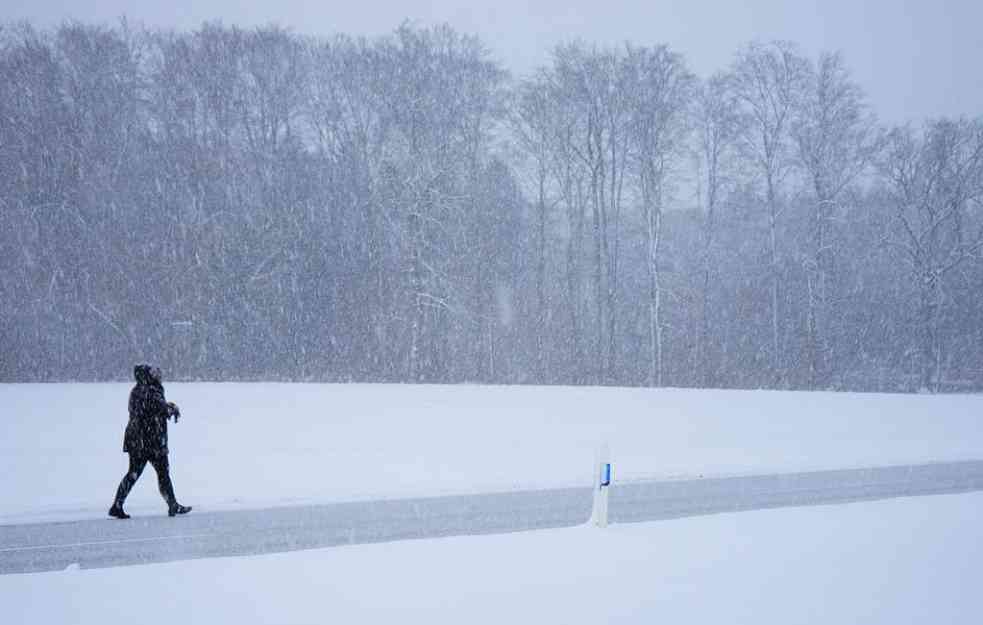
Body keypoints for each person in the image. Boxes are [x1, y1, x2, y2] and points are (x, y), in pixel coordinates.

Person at [109, 364, 192, 519]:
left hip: (139, 440)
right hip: (148, 441)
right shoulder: (150, 391)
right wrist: (172, 407)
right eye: (154, 373)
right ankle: (172, 504)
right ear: (147, 376)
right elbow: (159, 409)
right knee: (160, 473)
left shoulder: (137, 390)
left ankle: (118, 504)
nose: (157, 376)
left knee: (137, 473)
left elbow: (152, 409)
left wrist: (167, 407)